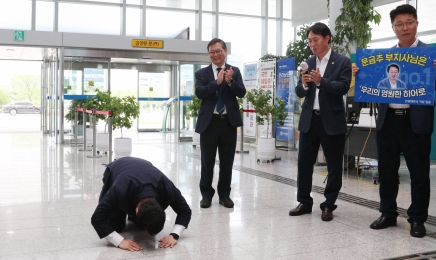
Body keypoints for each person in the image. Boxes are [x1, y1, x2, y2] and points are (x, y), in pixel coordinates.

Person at [353, 4, 435, 238]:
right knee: (387, 170)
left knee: (419, 173)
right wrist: (360, 74)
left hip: (416, 122)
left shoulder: (430, 55)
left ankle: (418, 218)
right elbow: (371, 88)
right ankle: (388, 213)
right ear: (393, 28)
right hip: (388, 121)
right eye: (399, 24)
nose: (404, 27)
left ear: (417, 24)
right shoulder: (382, 58)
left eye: (409, 22)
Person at [289, 22, 351, 221]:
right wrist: (305, 85)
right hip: (309, 120)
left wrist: (320, 81)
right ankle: (304, 202)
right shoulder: (307, 62)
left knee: (334, 165)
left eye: (315, 40)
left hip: (331, 121)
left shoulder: (342, 62)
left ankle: (328, 205)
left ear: (327, 38)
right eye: (309, 41)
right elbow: (299, 91)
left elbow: (342, 87)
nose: (312, 44)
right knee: (304, 164)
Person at [91, 157, 192, 251]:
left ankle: (135, 219)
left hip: (144, 167)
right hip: (117, 168)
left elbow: (185, 210)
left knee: (146, 223)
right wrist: (119, 241)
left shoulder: (168, 189)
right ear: (137, 210)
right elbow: (97, 218)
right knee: (116, 227)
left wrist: (174, 235)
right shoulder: (119, 189)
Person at [194, 38, 246, 208]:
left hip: (228, 123)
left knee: (227, 162)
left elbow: (241, 93)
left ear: (225, 52)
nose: (215, 55)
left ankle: (224, 195)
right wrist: (216, 82)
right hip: (209, 123)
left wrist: (230, 81)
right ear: (209, 54)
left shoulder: (235, 71)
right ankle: (206, 195)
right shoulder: (202, 73)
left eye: (218, 51)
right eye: (212, 52)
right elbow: (200, 93)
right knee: (207, 162)